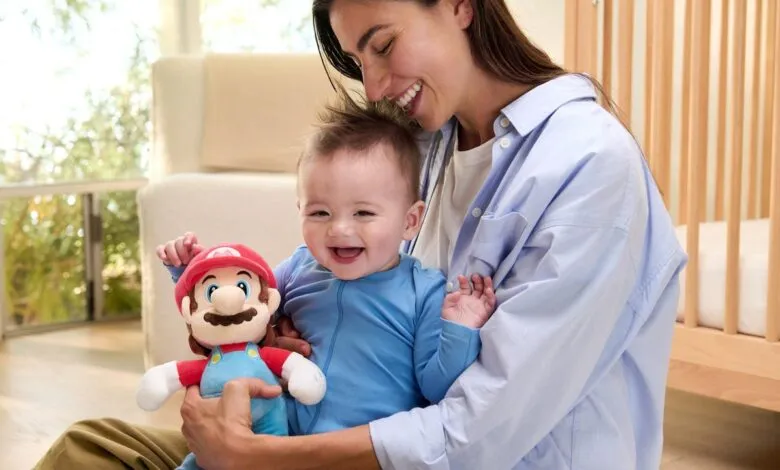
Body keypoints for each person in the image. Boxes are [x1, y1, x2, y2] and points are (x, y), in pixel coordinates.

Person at [33, 0, 687, 469]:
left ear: (460, 5)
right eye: (356, 59)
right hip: (340, 430)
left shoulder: (589, 166)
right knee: (90, 448)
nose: (372, 85)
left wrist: (255, 457)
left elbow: (478, 434)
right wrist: (279, 337)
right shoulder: (424, 149)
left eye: (381, 44)